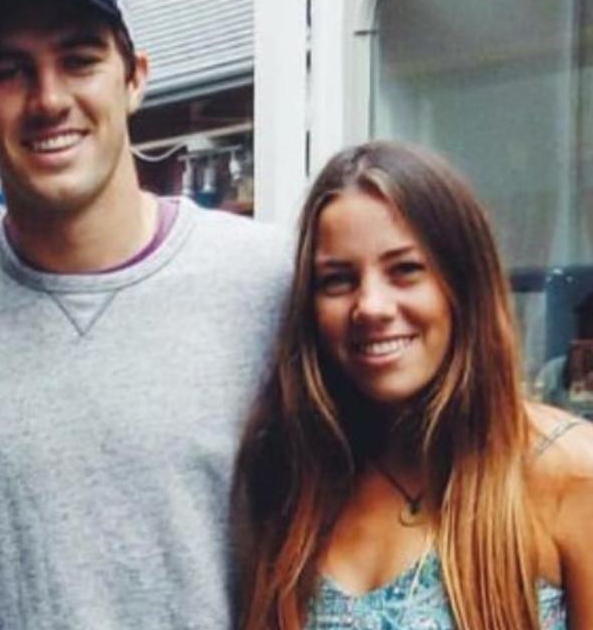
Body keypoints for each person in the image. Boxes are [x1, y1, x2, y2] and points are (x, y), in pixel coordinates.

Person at [0, 0, 289, 629]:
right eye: (9, 70)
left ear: (135, 78)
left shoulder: (269, 280)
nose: (48, 99)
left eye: (79, 60)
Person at [235, 142, 593, 629]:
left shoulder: (569, 472)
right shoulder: (296, 479)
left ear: (463, 284)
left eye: (406, 271)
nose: (372, 306)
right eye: (337, 280)